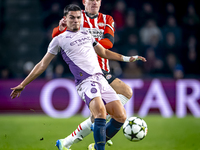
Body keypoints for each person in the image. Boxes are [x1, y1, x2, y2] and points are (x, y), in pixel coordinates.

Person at [10, 4, 146, 150]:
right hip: (86, 82)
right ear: (65, 19)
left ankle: (91, 140)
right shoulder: (59, 40)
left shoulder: (87, 34)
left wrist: (128, 58)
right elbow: (42, 64)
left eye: (78, 18)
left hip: (101, 78)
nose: (76, 20)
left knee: (121, 116)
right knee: (100, 113)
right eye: (72, 17)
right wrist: (23, 84)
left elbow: (104, 53)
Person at [51, 0, 136, 149]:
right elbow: (56, 35)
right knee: (119, 98)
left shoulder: (107, 19)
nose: (95, 2)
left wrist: (84, 40)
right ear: (84, 2)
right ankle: (96, 139)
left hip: (103, 69)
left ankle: (66, 142)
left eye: (98, 0)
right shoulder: (76, 17)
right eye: (91, 0)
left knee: (103, 111)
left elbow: (109, 43)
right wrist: (60, 28)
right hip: (88, 71)